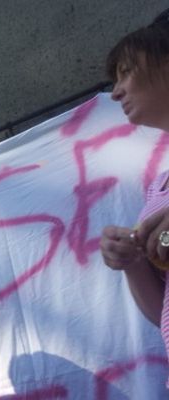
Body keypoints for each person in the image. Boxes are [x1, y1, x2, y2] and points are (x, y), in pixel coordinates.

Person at [99, 8, 169, 386]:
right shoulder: (159, 188)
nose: (115, 91)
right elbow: (161, 314)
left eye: (126, 71)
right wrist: (133, 260)